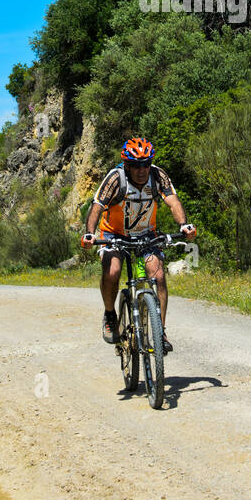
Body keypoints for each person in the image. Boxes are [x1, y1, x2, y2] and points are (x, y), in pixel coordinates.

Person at [82, 137, 196, 354]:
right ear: (126, 164)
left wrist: (184, 225)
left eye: (146, 163)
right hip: (113, 234)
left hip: (146, 234)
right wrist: (89, 234)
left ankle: (159, 331)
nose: (142, 170)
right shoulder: (116, 178)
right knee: (112, 271)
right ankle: (109, 314)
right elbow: (97, 206)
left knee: (158, 275)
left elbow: (172, 200)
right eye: (136, 165)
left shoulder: (157, 175)